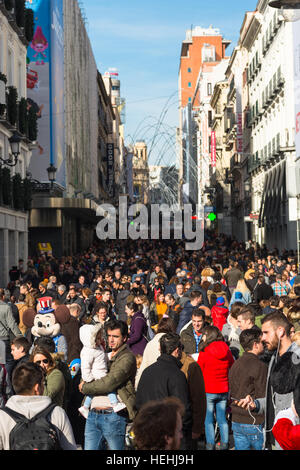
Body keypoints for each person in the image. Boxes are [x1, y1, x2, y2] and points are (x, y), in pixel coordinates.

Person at [235, 311, 300, 450]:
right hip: (271, 439)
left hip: (290, 441)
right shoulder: (273, 359)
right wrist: (256, 404)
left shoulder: (297, 359)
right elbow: (274, 400)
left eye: (266, 332)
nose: (262, 338)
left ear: (280, 331)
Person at [79, 319, 137, 451]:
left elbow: (109, 383)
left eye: (115, 337)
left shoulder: (127, 357)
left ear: (125, 338)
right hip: (92, 414)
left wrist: (85, 387)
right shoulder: (101, 353)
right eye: (109, 336)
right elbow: (87, 374)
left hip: (113, 415)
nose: (111, 340)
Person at [0, 362, 77, 450]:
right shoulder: (57, 412)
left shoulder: (3, 416)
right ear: (37, 388)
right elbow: (70, 447)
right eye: (43, 383)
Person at [136, 333, 192, 450]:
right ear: (177, 351)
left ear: (160, 349)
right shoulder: (177, 375)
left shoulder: (147, 372)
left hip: (148, 435)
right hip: (168, 437)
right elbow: (183, 409)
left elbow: (139, 404)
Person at [229, 329, 268, 450]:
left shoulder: (236, 363)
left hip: (237, 420)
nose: (265, 344)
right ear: (255, 345)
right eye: (262, 342)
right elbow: (263, 396)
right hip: (254, 421)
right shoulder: (260, 366)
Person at [197, 325, 234, 450]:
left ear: (209, 335)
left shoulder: (204, 352)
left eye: (204, 334)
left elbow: (199, 371)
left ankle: (210, 445)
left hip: (208, 390)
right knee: (222, 418)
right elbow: (232, 366)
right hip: (223, 389)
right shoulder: (226, 350)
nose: (202, 337)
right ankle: (225, 444)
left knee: (208, 420)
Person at [78, 324, 125, 418]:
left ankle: (85, 406)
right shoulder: (88, 351)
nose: (100, 341)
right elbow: (85, 367)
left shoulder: (98, 348)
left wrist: (109, 355)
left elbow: (101, 357)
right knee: (110, 388)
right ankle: (115, 404)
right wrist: (88, 378)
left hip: (101, 371)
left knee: (92, 393)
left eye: (100, 338)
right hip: (97, 374)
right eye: (97, 339)